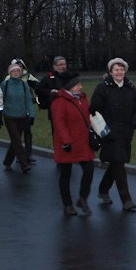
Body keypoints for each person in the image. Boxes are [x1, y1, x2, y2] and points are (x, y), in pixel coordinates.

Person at [90, 57, 136, 212]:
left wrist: (133, 125)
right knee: (118, 163)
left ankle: (103, 189)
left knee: (116, 162)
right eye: (116, 69)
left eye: (122, 69)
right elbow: (94, 110)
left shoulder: (131, 87)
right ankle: (126, 199)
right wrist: (103, 130)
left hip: (126, 132)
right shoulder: (102, 88)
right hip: (109, 133)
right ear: (110, 72)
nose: (119, 72)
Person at [51, 72, 97, 216]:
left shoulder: (82, 99)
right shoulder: (59, 101)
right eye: (78, 85)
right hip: (67, 143)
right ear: (70, 87)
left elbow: (88, 117)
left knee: (89, 169)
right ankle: (67, 204)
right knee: (66, 174)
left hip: (83, 142)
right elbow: (59, 123)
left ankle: (82, 198)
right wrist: (66, 141)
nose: (81, 86)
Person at [1, 61, 33, 173]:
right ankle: (24, 164)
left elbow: (28, 100)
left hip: (22, 116)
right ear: (10, 72)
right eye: (13, 71)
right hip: (9, 116)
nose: (16, 72)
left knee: (15, 141)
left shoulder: (24, 84)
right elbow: (0, 100)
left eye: (18, 71)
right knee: (17, 141)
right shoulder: (5, 84)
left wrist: (31, 115)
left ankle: (7, 161)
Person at [7, 58, 39, 163]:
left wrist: (36, 100)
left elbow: (39, 88)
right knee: (16, 135)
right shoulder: (8, 80)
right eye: (17, 66)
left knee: (27, 131)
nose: (19, 69)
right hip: (13, 110)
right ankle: (17, 155)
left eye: (21, 66)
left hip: (26, 109)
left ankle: (28, 154)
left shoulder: (29, 77)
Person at [36, 55, 69, 132]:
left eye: (64, 64)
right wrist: (50, 92)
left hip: (69, 109)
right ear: (55, 66)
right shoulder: (48, 78)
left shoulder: (69, 76)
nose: (63, 66)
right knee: (57, 132)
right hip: (55, 110)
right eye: (60, 65)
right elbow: (38, 89)